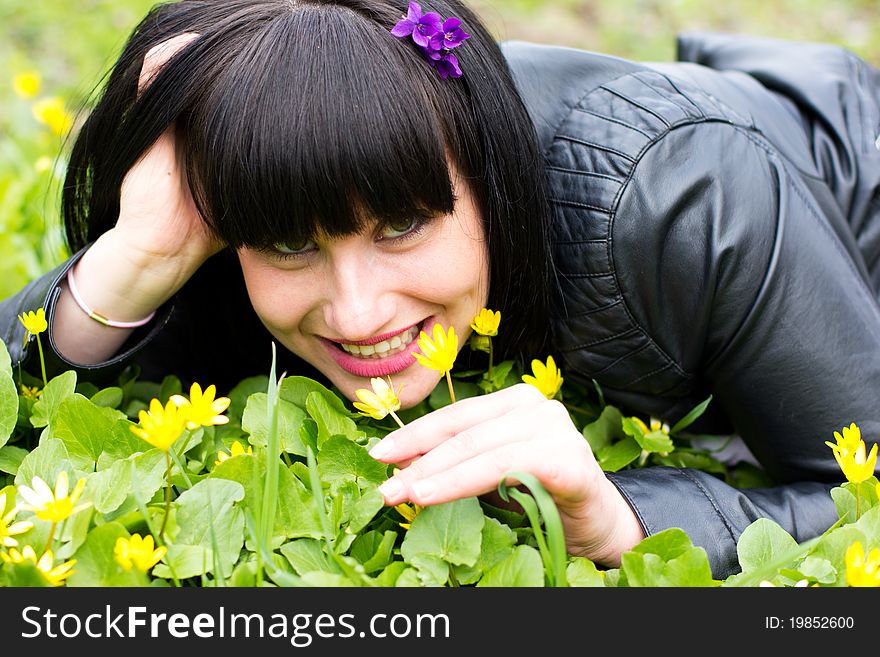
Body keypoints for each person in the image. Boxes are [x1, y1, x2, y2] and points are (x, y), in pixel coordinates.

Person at [2, 0, 880, 580]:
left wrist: (622, 521)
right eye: (286, 243)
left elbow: (862, 491)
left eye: (401, 227)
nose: (358, 312)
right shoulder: (237, 231)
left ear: (487, 170)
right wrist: (137, 260)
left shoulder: (684, 194)